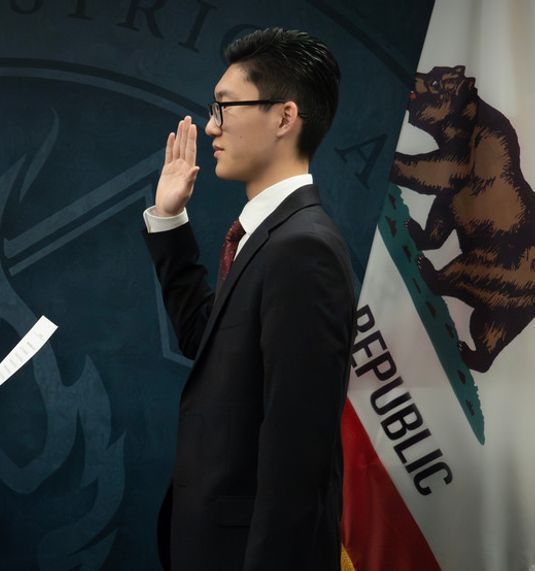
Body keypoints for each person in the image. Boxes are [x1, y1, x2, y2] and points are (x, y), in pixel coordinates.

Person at [143, 28, 356, 570]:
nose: (211, 126)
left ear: (285, 118)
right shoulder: (268, 237)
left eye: (225, 107)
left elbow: (297, 461)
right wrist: (168, 220)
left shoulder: (303, 249)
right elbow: (206, 340)